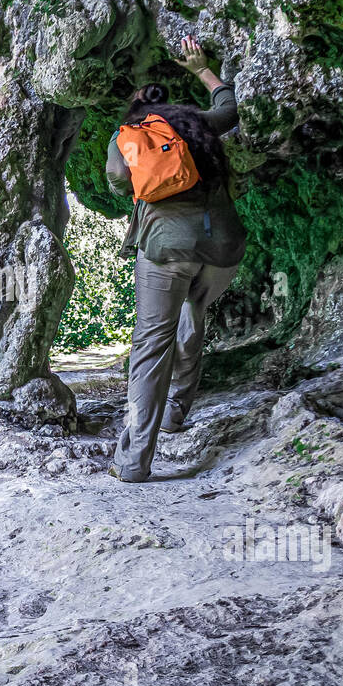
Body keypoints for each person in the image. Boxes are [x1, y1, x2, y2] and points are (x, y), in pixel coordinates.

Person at [104, 35, 246, 483]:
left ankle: (134, 461)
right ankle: (176, 412)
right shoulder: (200, 125)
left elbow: (119, 183)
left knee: (151, 344)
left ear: (136, 110)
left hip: (166, 249)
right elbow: (231, 106)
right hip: (221, 249)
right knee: (192, 316)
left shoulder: (127, 137)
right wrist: (202, 69)